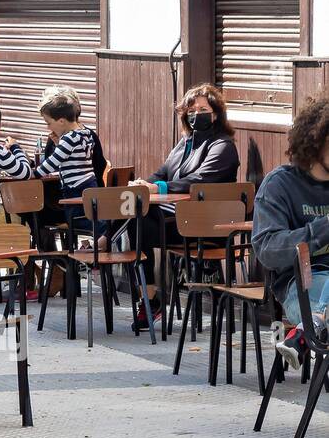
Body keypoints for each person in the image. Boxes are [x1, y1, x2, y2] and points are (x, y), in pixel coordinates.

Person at [127, 82, 240, 329]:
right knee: (132, 215)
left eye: (202, 108)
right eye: (191, 110)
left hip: (209, 227)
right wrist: (144, 184)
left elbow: (200, 180)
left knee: (138, 221)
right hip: (180, 222)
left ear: (216, 113)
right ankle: (149, 296)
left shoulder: (223, 146)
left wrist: (160, 188)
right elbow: (163, 173)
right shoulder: (184, 144)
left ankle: (151, 299)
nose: (196, 114)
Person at [252, 92, 329, 368]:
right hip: (302, 284)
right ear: (316, 140)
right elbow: (268, 250)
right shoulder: (280, 185)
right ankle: (315, 325)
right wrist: (324, 229)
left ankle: (309, 331)